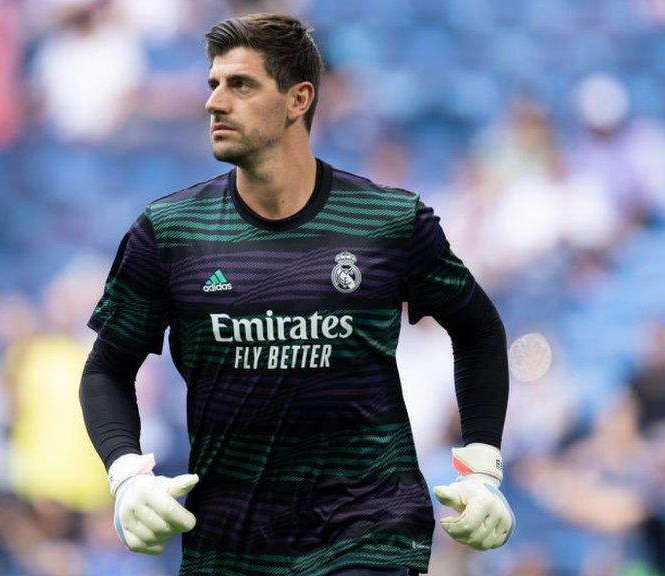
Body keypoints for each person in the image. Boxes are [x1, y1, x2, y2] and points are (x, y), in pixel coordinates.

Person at [79, 13, 513, 576]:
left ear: (298, 99)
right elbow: (106, 370)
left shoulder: (388, 221)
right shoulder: (169, 231)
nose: (214, 102)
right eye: (212, 84)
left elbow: (478, 329)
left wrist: (481, 466)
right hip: (230, 546)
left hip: (369, 534)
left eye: (241, 84)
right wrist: (126, 475)